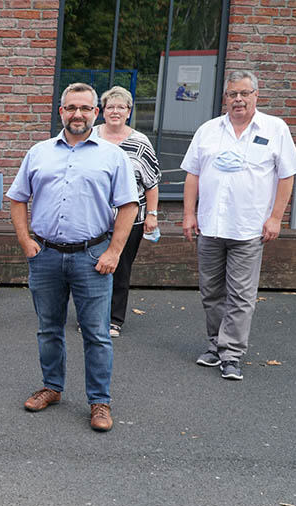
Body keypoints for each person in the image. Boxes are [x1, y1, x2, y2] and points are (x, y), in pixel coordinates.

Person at [7, 82, 138, 432]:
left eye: (84, 108)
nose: (77, 114)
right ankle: (52, 387)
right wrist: (25, 241)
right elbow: (18, 197)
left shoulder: (113, 156)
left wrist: (114, 251)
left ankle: (99, 401)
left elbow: (129, 205)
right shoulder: (39, 152)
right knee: (48, 329)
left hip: (92, 257)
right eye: (71, 108)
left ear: (95, 113)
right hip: (46, 255)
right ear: (61, 111)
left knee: (96, 333)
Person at [182, 70, 296, 381]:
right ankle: (214, 345)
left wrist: (276, 217)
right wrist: (188, 214)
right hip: (210, 225)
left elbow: (287, 175)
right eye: (232, 94)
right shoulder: (208, 130)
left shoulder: (275, 129)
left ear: (256, 96)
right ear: (226, 98)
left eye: (244, 93)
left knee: (241, 295)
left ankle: (231, 353)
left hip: (249, 228)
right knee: (211, 292)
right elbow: (193, 175)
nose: (238, 99)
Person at [94, 86, 161, 338]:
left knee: (120, 267)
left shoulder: (140, 142)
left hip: (130, 218)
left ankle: (113, 319)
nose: (115, 111)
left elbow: (152, 182)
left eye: (121, 107)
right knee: (90, 268)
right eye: (110, 106)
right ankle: (91, 316)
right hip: (94, 217)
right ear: (102, 111)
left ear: (129, 112)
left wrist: (152, 215)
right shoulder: (91, 137)